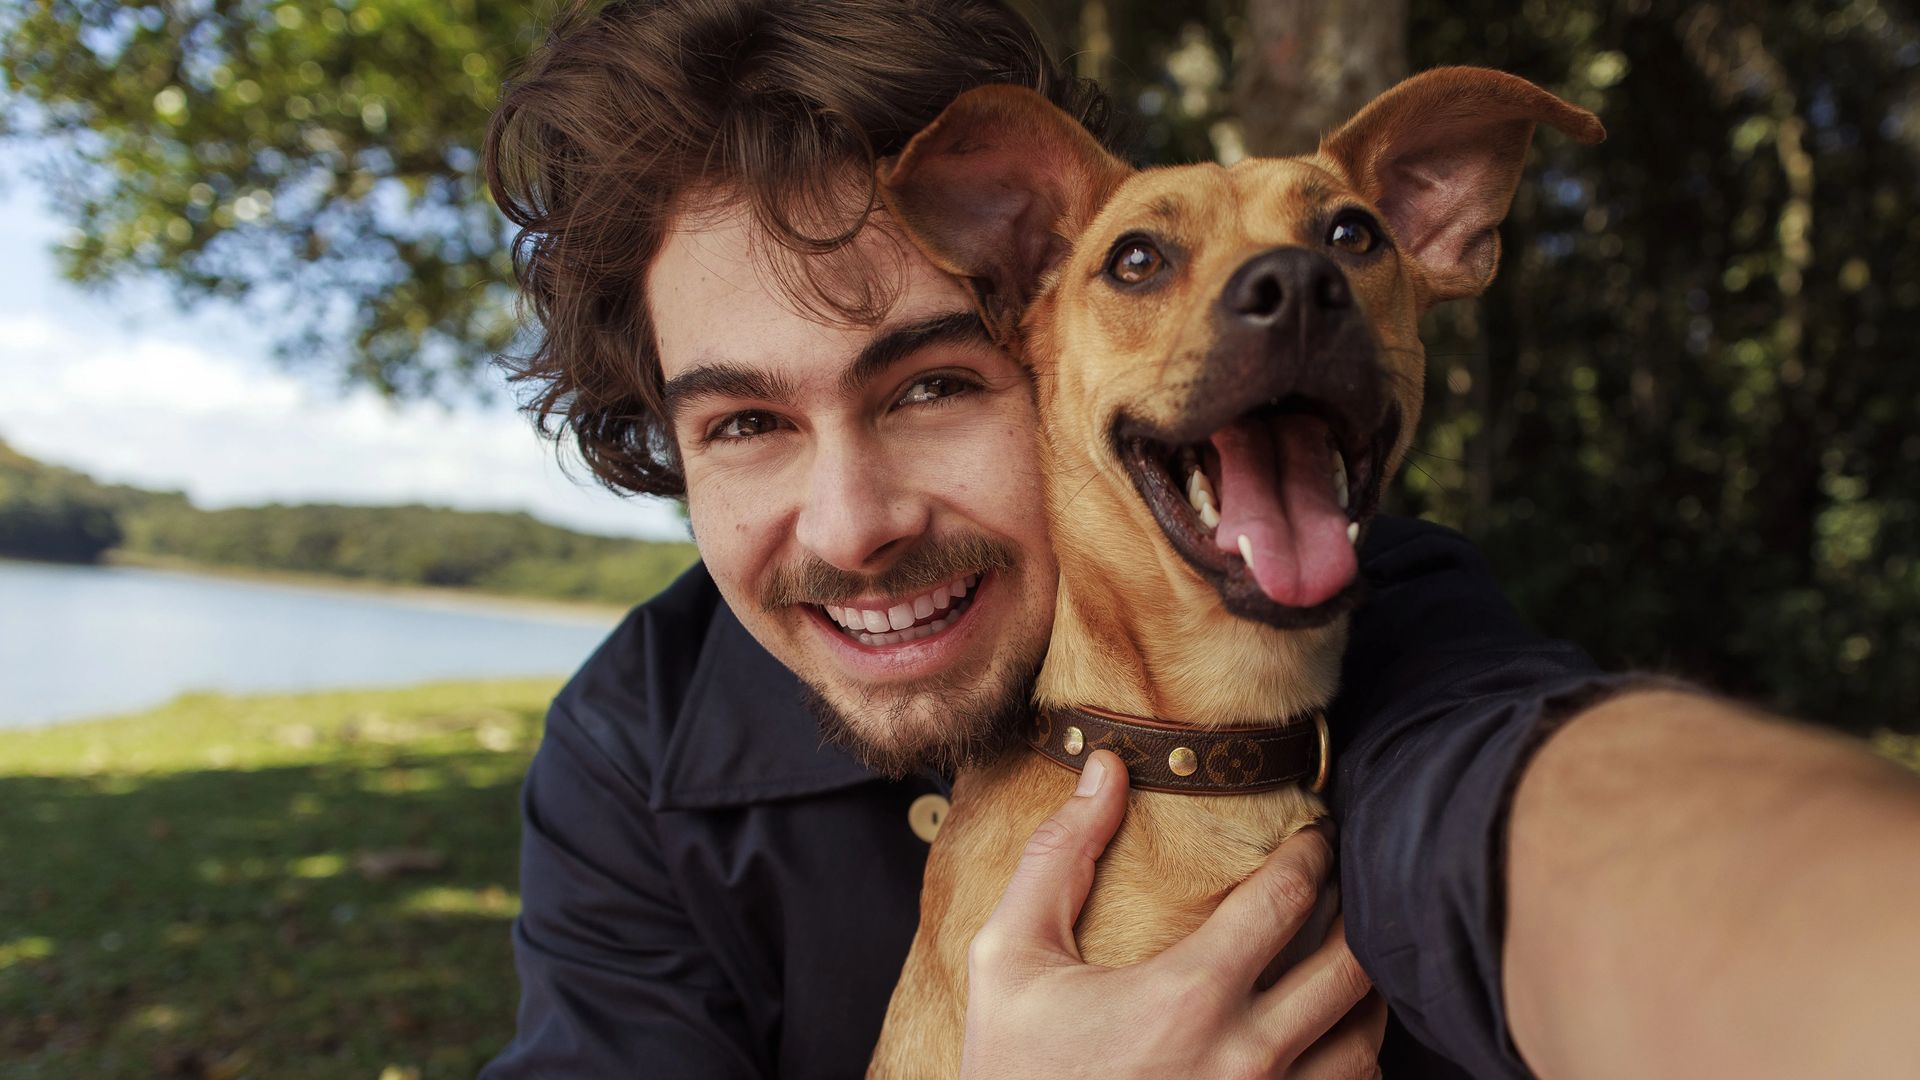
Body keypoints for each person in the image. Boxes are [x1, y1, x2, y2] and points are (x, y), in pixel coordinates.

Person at [478, 2, 1920, 1078]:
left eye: (929, 386)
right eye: (742, 424)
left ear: (1031, 340)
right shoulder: (629, 746)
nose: (856, 526)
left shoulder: (1354, 602)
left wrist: (1834, 931)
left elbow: (1513, 796)